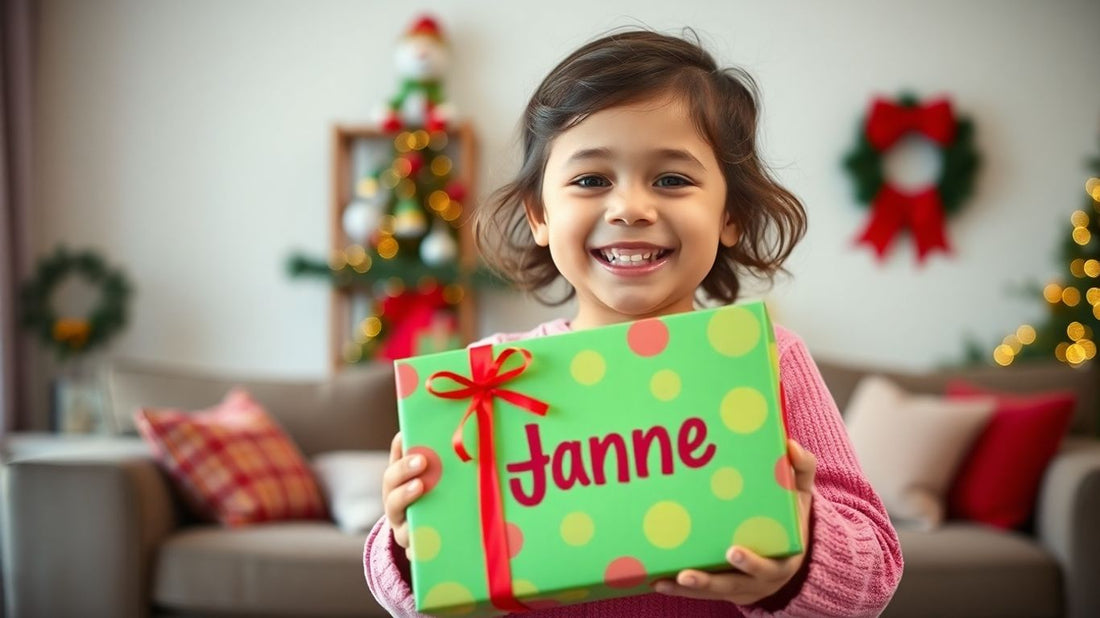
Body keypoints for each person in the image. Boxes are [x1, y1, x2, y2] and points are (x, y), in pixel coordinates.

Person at [365, 28, 903, 617]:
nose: (629, 209)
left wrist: (797, 561)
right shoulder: (487, 380)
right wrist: (406, 545)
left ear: (730, 214)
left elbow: (875, 571)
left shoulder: (771, 360)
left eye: (672, 180)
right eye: (591, 180)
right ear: (540, 214)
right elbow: (421, 591)